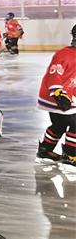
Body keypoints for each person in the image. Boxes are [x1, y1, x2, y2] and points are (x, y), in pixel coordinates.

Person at [35, 24, 76, 171]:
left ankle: (45, 150)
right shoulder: (67, 54)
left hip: (62, 95)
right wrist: (58, 93)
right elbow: (54, 74)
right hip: (55, 96)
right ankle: (71, 155)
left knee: (59, 125)